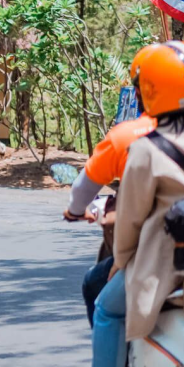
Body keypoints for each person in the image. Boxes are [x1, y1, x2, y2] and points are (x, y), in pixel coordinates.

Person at [71, 41, 184, 367]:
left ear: (148, 91)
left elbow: (130, 219)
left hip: (169, 261)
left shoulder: (146, 149)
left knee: (106, 306)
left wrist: (120, 261)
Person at [64, 45, 158, 325]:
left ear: (140, 91)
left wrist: (77, 210)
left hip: (157, 254)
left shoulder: (126, 137)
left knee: (97, 290)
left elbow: (82, 191)